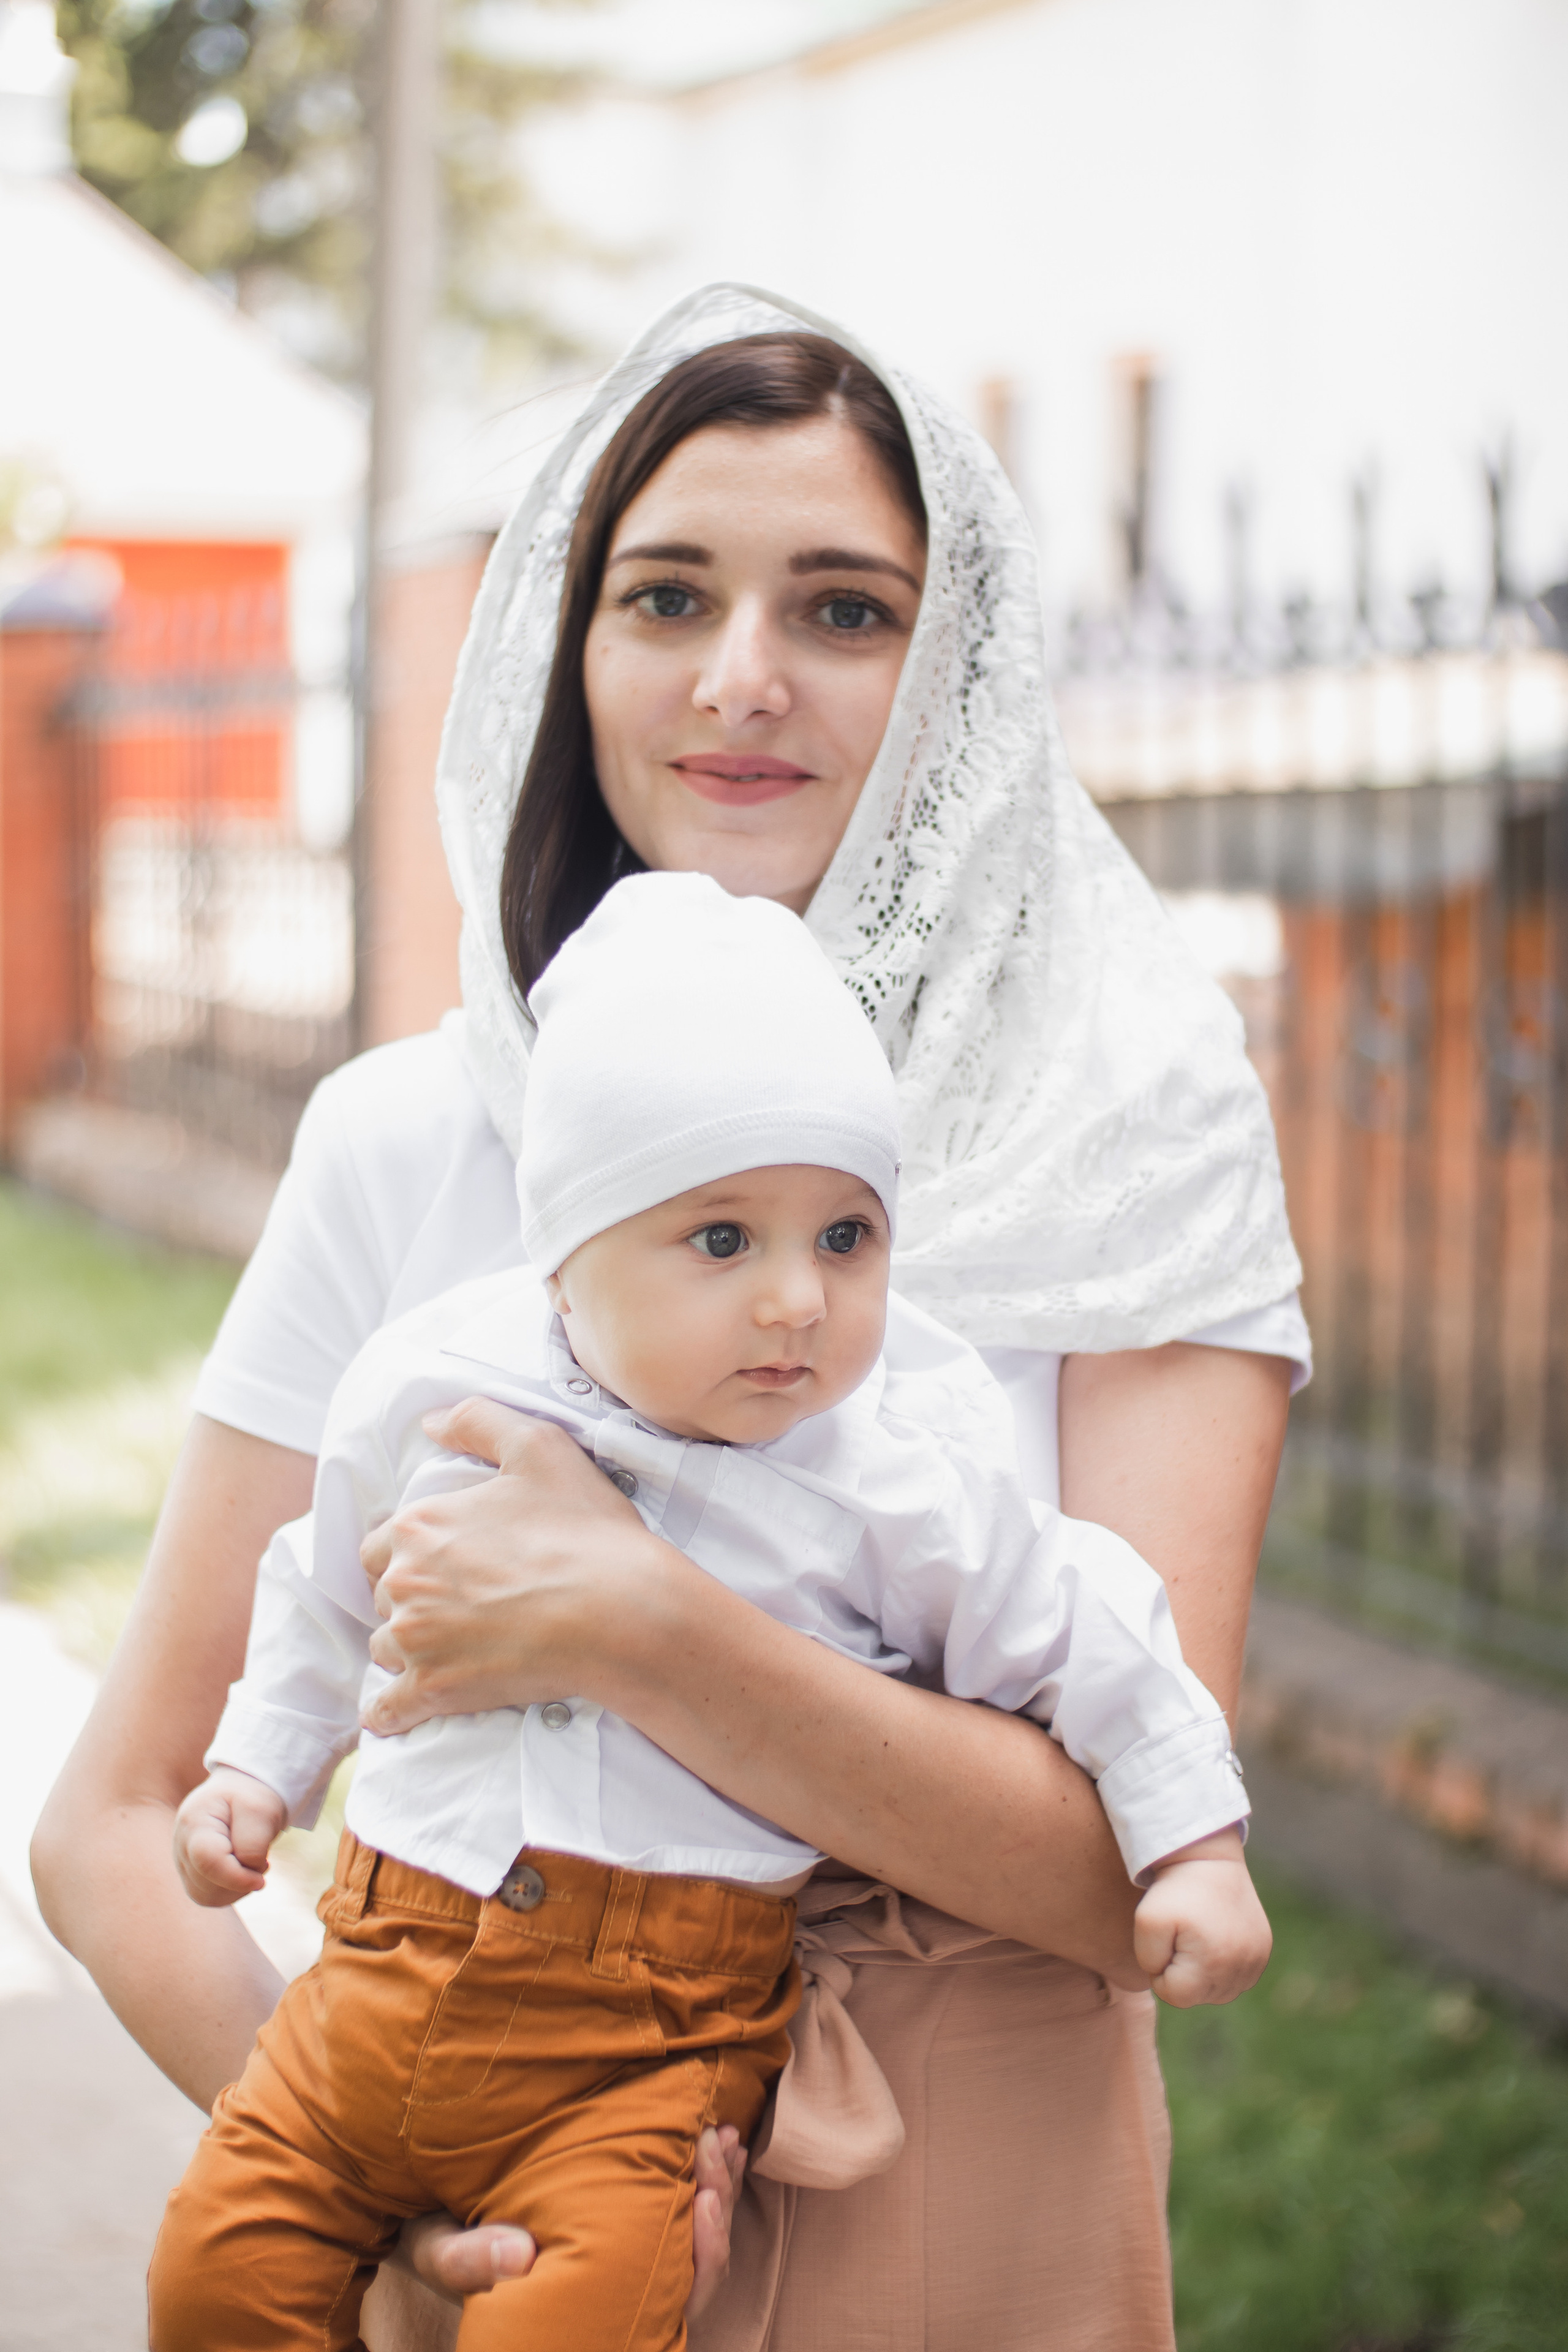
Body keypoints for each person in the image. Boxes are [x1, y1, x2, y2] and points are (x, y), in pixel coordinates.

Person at [32, 286, 1305, 2352]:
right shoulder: (407, 1136)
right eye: (664, 595)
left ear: (962, 665)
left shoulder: (1128, 1128)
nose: (740, 679)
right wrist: (370, 2188)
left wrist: (642, 1628)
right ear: (569, 648)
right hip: (513, 2232)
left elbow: (1122, 1867)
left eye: (844, 609)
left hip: (975, 2223)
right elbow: (107, 1825)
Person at [151, 873, 1270, 2352]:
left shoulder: (891, 1478)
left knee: (588, 2318)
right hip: (380, 1968)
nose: (798, 1302)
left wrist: (1194, 1848)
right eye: (724, 1241)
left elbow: (1097, 1630)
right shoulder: (438, 1381)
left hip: (652, 2042)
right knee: (208, 2285)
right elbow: (325, 1574)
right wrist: (260, 1766)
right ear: (567, 1253)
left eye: (846, 1238)